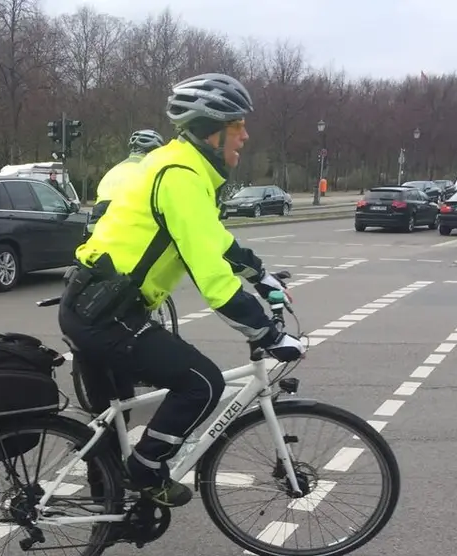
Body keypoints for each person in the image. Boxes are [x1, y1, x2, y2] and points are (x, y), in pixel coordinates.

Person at [59, 73, 305, 508]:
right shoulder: (179, 176)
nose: (244, 136)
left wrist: (261, 276)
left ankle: (111, 513)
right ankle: (146, 471)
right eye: (237, 126)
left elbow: (213, 239)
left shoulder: (184, 169)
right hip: (106, 313)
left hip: (97, 305)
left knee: (113, 420)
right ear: (212, 131)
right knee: (201, 383)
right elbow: (210, 274)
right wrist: (265, 333)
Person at [87, 129, 165, 232]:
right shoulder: (150, 171)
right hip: (127, 232)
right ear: (155, 151)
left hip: (97, 231)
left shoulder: (113, 171)